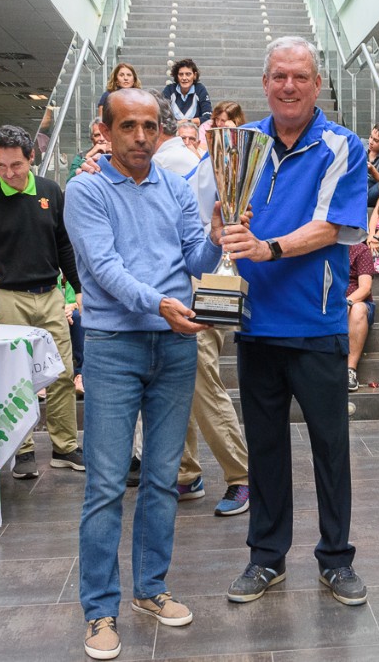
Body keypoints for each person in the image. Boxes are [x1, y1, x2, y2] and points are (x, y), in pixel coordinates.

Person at [65, 88, 227, 660]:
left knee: (162, 480)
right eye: (128, 125)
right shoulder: (85, 190)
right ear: (104, 131)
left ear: (162, 132)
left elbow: (197, 262)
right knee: (106, 485)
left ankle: (151, 590)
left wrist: (215, 232)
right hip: (113, 347)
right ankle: (100, 610)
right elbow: (103, 268)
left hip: (175, 349)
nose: (140, 136)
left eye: (150, 126)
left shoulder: (177, 187)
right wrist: (159, 304)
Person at [215, 36, 369, 607]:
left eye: (299, 76)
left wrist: (266, 248)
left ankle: (335, 559)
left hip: (318, 320)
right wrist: (224, 232)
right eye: (279, 75)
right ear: (264, 83)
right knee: (265, 448)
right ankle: (265, 558)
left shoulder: (342, 145)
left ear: (317, 84)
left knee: (330, 446)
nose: (288, 86)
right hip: (254, 322)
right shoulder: (240, 144)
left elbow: (332, 226)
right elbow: (219, 219)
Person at [0, 125, 83, 479]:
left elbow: (64, 244)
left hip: (50, 296)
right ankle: (22, 451)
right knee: (14, 378)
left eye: (16, 165)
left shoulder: (52, 192)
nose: (9, 173)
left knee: (63, 374)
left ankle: (65, 447)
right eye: (2, 166)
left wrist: (79, 288)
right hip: (6, 298)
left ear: (31, 158)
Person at [150, 94, 250, 517]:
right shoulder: (182, 157)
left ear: (157, 126)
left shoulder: (166, 163)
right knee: (180, 382)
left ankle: (243, 475)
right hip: (175, 289)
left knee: (201, 381)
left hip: (194, 284)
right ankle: (186, 474)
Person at [345, 242, 376, 392]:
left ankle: (350, 370)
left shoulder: (360, 249)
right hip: (328, 303)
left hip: (358, 303)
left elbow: (365, 288)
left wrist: (346, 303)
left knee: (357, 309)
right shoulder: (323, 249)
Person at [162, 58, 212, 125]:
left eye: (188, 74)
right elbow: (162, 115)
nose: (184, 78)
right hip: (173, 132)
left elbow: (208, 116)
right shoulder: (169, 90)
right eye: (181, 74)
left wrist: (186, 122)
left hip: (195, 132)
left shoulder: (200, 89)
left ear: (194, 75)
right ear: (177, 76)